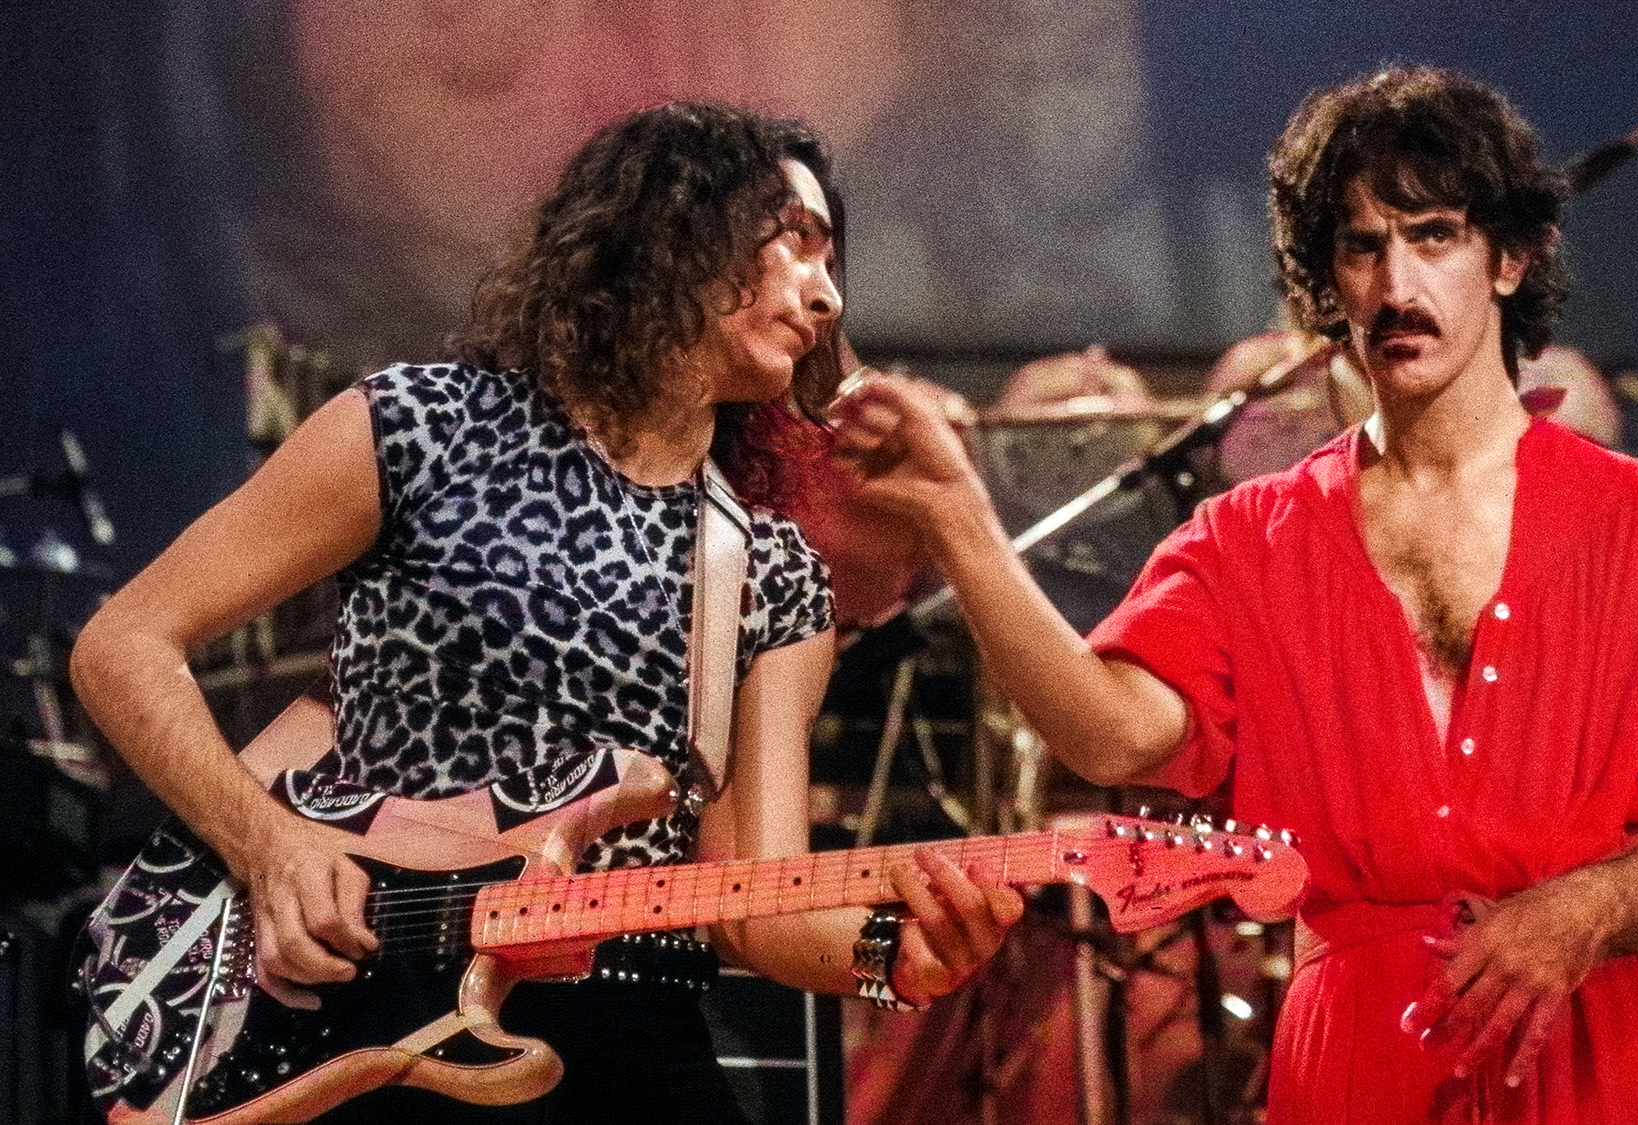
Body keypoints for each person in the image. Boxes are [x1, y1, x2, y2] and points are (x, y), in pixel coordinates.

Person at [830, 67, 1638, 1123]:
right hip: (1356, 1067)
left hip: (1595, 1057)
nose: (1396, 285)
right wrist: (959, 522)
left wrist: (1591, 906)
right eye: (1361, 246)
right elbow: (1110, 736)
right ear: (1326, 278)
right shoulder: (1248, 540)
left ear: (1511, 258)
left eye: (1433, 236)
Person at [68, 102, 1021, 1124]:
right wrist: (269, 847)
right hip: (362, 999)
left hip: (626, 1021)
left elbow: (759, 906)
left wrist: (893, 955)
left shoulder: (770, 572)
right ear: (675, 228)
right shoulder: (419, 429)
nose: (826, 295)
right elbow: (124, 643)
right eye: (795, 243)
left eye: (831, 263)